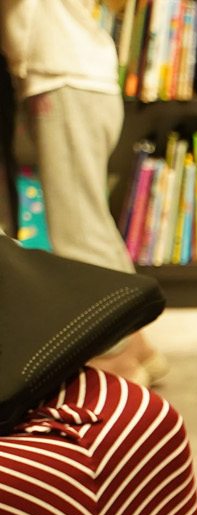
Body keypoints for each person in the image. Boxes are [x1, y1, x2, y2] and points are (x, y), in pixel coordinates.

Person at [0, 0, 167, 385]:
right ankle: (138, 346)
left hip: (64, 81)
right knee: (92, 224)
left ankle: (116, 360)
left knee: (77, 232)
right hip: (82, 80)